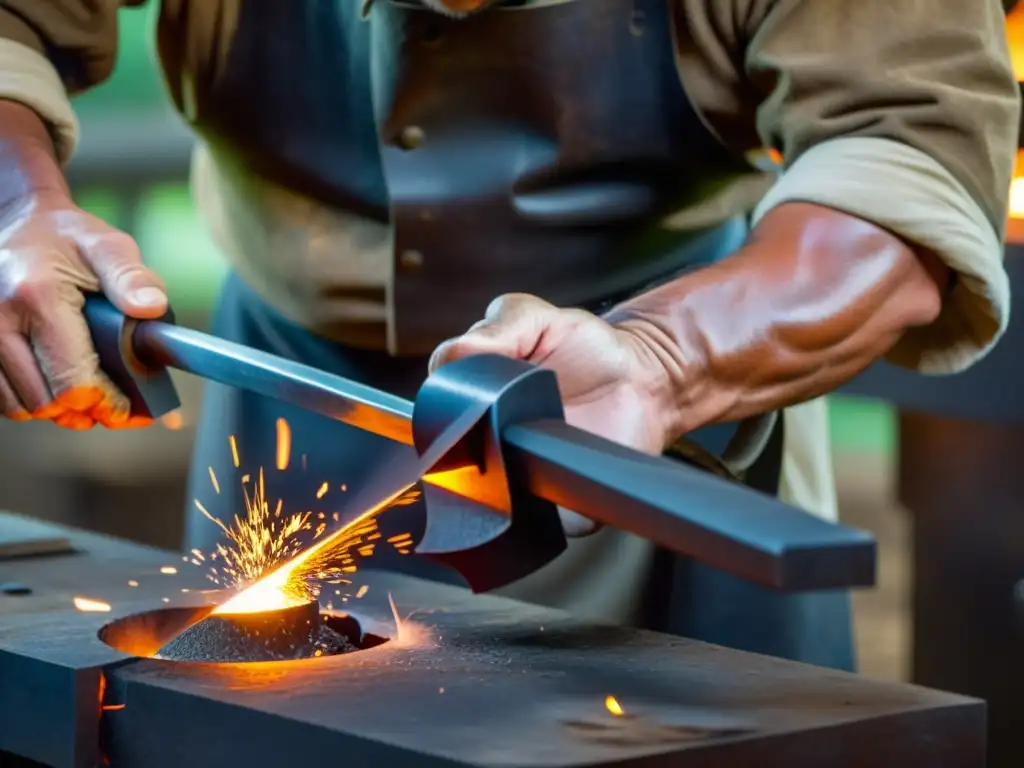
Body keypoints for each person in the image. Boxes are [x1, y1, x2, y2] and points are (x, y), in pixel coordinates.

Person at [0, 0, 1017, 671]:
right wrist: (15, 207)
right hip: (286, 396)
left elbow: (906, 143)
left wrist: (663, 361)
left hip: (653, 414)